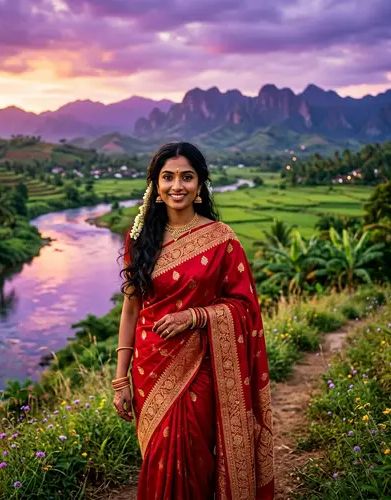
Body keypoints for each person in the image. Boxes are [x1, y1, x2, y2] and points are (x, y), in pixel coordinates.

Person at [112, 142, 274, 500]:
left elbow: (245, 309)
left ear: (200, 186)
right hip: (148, 368)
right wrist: (119, 378)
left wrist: (195, 316)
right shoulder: (139, 239)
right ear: (155, 186)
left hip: (199, 368)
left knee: (195, 458)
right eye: (167, 177)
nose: (177, 186)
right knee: (157, 459)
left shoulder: (221, 240)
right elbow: (130, 309)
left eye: (187, 177)